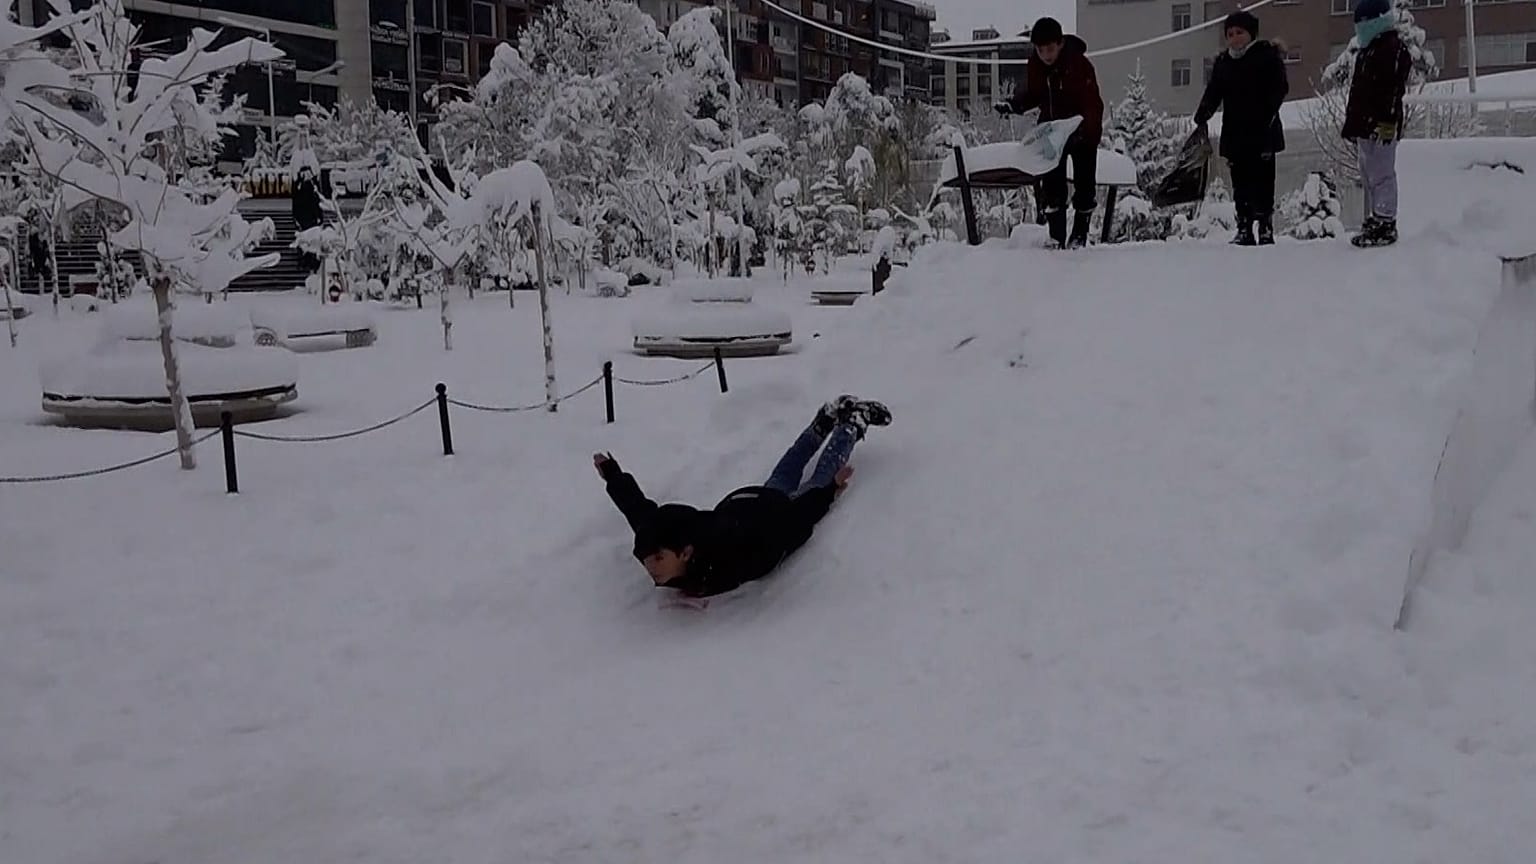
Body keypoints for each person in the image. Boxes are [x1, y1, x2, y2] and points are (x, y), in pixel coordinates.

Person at [596, 396, 892, 598]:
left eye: (659, 558)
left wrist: (827, 493)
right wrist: (612, 474)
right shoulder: (664, 536)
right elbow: (637, 509)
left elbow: (792, 521)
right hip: (745, 503)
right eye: (647, 559)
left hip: (772, 517)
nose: (651, 566)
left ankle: (852, 423)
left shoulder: (733, 555)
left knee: (820, 479)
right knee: (786, 471)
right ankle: (824, 421)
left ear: (685, 552)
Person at [993, 16, 1105, 250]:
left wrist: (1088, 132)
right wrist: (1014, 105)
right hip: (1052, 135)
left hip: (1081, 131)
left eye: (1050, 49)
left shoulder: (1079, 65)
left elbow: (1093, 103)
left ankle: (1079, 236)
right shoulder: (1036, 65)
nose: (1046, 55)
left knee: (1085, 185)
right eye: (1040, 50)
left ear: (1060, 43)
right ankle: (1056, 237)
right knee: (1052, 187)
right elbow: (1034, 94)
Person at [1193, 11, 1289, 246]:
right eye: (1230, 34)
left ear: (1251, 34)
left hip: (1263, 131)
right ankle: (1244, 227)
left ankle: (1265, 227)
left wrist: (1267, 111)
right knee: (1240, 182)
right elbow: (1214, 92)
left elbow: (1280, 88)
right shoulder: (1224, 63)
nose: (1235, 38)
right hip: (1235, 133)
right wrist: (1203, 114)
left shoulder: (1266, 57)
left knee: (1264, 180)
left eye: (1240, 33)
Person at [1343, 0, 1412, 248]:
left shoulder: (1392, 49)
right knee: (1368, 171)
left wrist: (1388, 123)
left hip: (1382, 123)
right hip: (1365, 123)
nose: (1360, 29)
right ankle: (1377, 216)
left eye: (1364, 23)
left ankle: (1386, 221)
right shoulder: (1369, 50)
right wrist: (1352, 126)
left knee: (1381, 172)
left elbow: (1392, 90)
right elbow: (1358, 92)